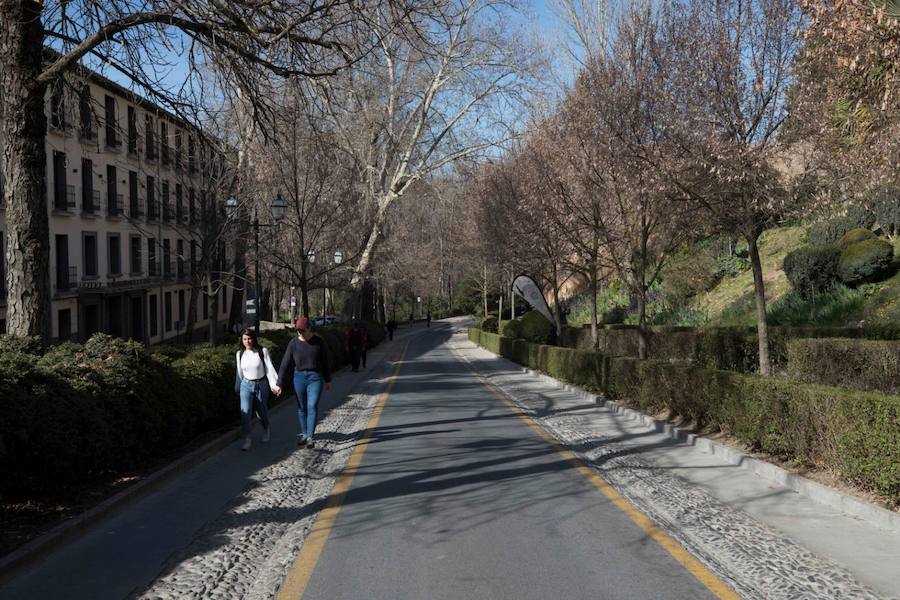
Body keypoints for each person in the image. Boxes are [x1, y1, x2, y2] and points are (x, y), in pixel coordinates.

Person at [273, 317, 332, 449]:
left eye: (302, 330)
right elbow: (285, 363)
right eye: (298, 330)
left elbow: (325, 361)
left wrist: (328, 380)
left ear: (309, 328)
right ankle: (304, 434)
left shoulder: (318, 341)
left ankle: (310, 437)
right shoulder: (293, 343)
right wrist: (279, 383)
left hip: (315, 377)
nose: (300, 333)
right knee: (302, 407)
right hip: (299, 377)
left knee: (312, 405)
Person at [234, 328, 277, 451]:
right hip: (246, 385)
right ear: (242, 340)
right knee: (245, 412)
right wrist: (238, 386)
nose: (247, 341)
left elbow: (269, 369)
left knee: (261, 412)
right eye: (244, 339)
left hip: (261, 385)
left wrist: (274, 385)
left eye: (249, 338)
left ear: (253, 339)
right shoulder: (239, 354)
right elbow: (239, 372)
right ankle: (247, 438)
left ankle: (266, 429)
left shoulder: (262, 351)